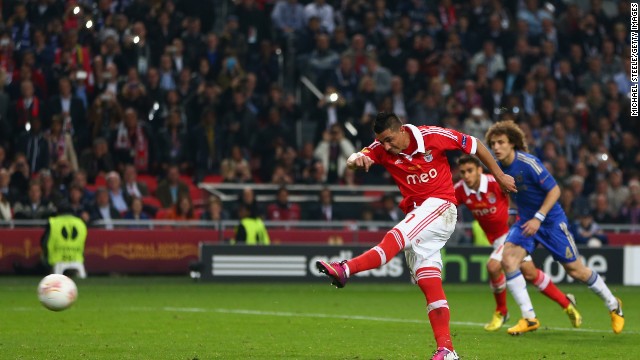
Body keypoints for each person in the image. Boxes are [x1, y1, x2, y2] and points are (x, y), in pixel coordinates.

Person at [316, 112, 517, 360]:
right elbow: (354, 159)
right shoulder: (381, 147)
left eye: (389, 139)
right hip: (419, 217)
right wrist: (356, 159)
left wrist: (499, 175)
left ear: (401, 130)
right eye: (381, 141)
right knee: (428, 282)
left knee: (397, 235)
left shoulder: (431, 136)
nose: (386, 146)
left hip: (441, 206)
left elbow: (474, 144)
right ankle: (447, 350)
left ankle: (346, 269)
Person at [485, 120, 624, 335]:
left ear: (512, 143)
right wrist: (513, 215)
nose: (496, 147)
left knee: (576, 270)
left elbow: (555, 191)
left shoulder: (528, 163)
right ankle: (529, 318)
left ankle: (614, 305)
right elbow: (513, 195)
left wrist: (539, 218)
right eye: (493, 143)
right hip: (526, 222)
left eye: (501, 142)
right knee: (508, 260)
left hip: (550, 221)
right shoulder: (498, 168)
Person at [454, 155, 581, 331]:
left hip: (512, 234)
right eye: (463, 172)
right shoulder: (460, 190)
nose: (466, 175)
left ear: (479, 170)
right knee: (530, 273)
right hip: (496, 239)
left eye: (470, 171)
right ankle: (566, 303)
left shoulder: (495, 182)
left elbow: (520, 197)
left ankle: (502, 311)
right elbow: (446, 204)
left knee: (493, 267)